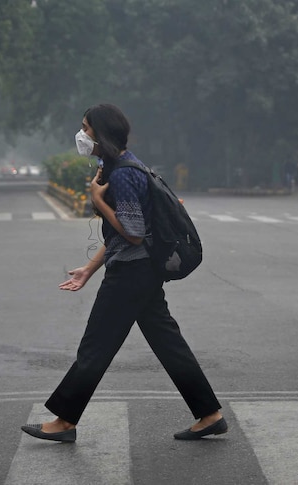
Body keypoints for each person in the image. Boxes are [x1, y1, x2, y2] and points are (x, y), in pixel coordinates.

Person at [21, 104, 225, 443]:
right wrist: (88, 269)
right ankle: (209, 414)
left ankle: (65, 421)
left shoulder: (124, 174)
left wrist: (98, 202)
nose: (81, 134)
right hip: (139, 270)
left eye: (86, 128)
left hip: (132, 274)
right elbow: (122, 237)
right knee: (168, 342)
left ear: (101, 134)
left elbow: (133, 232)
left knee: (95, 346)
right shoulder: (119, 166)